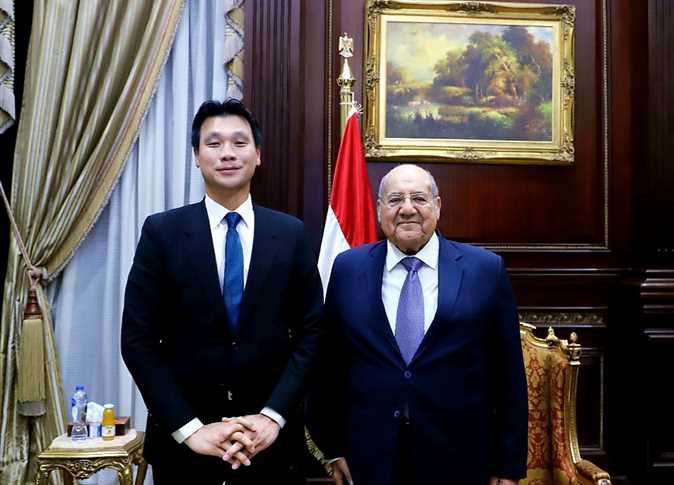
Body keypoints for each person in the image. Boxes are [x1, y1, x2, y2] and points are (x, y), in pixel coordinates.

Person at [121, 98, 323, 484]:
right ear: (197, 156)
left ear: (258, 155)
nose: (227, 153)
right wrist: (190, 430)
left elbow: (312, 333)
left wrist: (272, 417)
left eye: (239, 142)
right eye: (213, 143)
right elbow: (137, 340)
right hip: (185, 449)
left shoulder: (291, 234)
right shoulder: (161, 233)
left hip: (271, 447)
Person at [308, 164, 528, 485]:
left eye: (419, 198)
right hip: (369, 456)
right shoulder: (348, 268)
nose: (407, 209)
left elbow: (508, 375)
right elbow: (328, 365)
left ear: (437, 207)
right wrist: (332, 448)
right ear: (379, 209)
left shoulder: (484, 270)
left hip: (460, 456)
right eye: (395, 199)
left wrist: (508, 466)